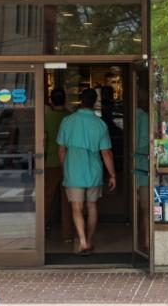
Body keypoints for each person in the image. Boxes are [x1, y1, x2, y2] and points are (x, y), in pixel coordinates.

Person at [57, 88, 116, 254]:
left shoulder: (67, 121)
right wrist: (112, 174)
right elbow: (106, 153)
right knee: (92, 206)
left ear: (80, 100)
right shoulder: (100, 124)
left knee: (76, 207)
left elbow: (61, 150)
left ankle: (82, 241)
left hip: (73, 170)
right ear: (94, 101)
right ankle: (89, 240)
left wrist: (65, 168)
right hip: (94, 171)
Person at [43, 88, 71, 236]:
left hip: (51, 161)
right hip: (69, 163)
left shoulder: (47, 118)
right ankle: (67, 233)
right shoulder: (70, 117)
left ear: (51, 101)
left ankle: (42, 228)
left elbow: (44, 139)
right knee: (67, 200)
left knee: (47, 197)